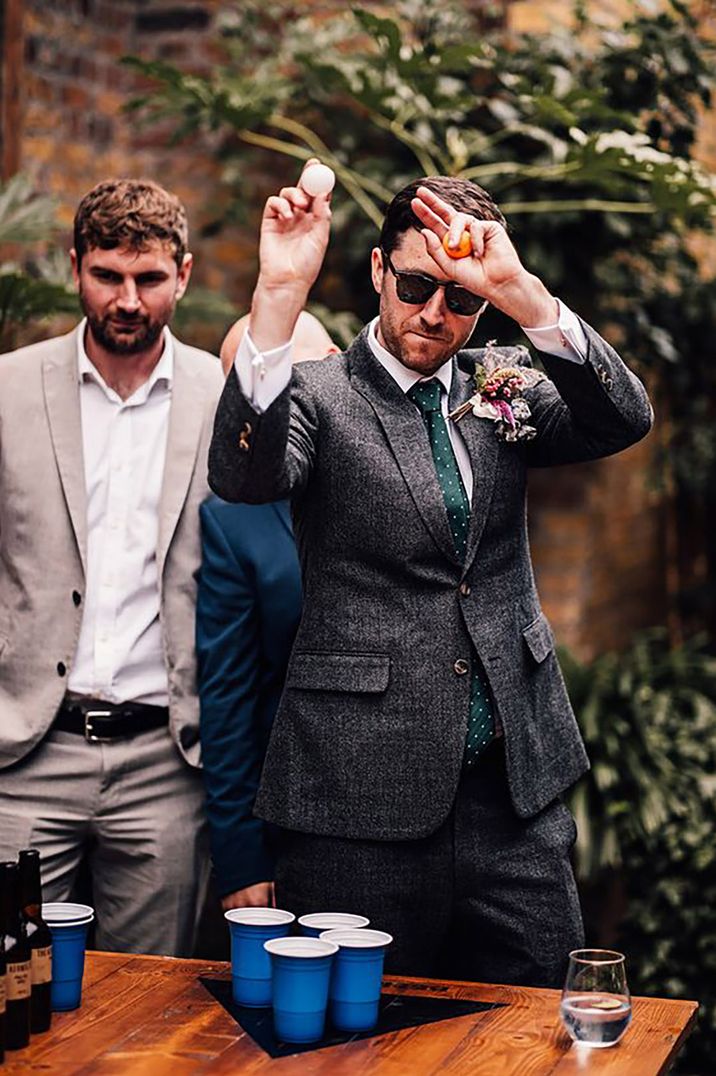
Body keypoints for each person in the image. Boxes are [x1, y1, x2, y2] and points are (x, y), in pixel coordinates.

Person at [207, 166, 653, 987]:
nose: (434, 315)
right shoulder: (318, 394)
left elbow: (622, 416)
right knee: (352, 1042)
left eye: (460, 299)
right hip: (358, 801)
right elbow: (245, 477)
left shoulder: (499, 381)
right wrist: (278, 294)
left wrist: (521, 294)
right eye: (415, 286)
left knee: (530, 1034)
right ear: (378, 270)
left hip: (515, 797)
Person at [0, 178, 223, 956]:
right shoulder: (8, 389)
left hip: (165, 761)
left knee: (145, 1020)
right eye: (108, 276)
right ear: (75, 268)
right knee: (8, 995)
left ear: (183, 275)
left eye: (150, 279)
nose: (128, 300)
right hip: (25, 754)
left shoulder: (218, 397)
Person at [197, 311, 338, 911]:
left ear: (335, 364)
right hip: (302, 810)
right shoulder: (233, 519)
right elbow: (228, 696)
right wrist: (240, 857)